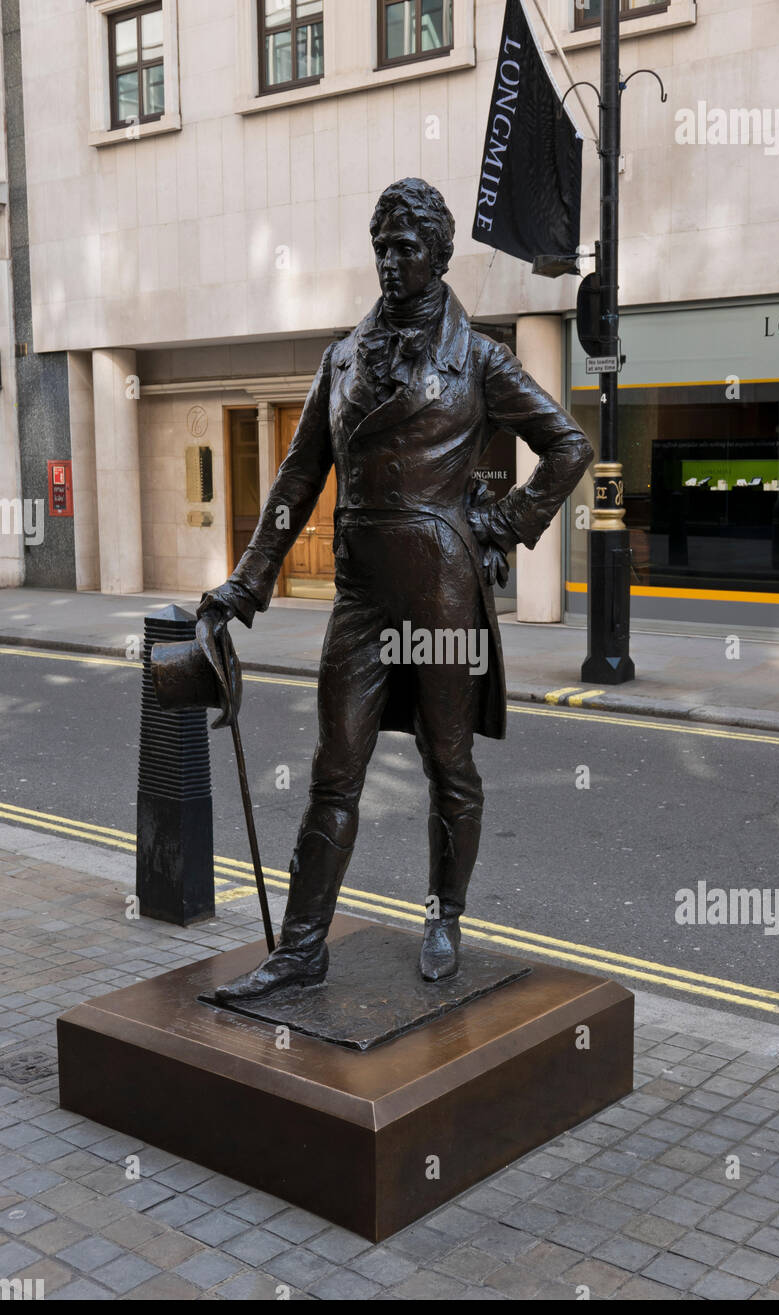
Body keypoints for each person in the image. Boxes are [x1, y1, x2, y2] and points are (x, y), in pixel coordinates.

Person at [199, 177, 593, 999]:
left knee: (446, 761)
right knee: (333, 768)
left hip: (441, 592)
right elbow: (299, 475)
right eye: (380, 246)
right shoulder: (341, 356)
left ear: (439, 257)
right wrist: (248, 579)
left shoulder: (478, 356)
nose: (389, 262)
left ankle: (444, 914)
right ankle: (302, 949)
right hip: (362, 597)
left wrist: (501, 526)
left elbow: (566, 446)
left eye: (406, 248)